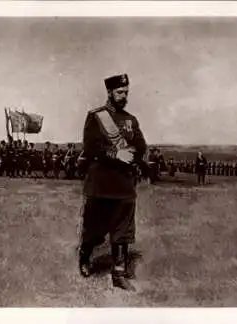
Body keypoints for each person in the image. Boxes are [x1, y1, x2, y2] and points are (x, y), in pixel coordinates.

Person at [78, 73, 147, 291]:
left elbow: (141, 145)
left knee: (123, 229)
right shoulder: (96, 117)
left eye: (126, 92)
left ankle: (118, 273)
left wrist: (134, 154)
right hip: (101, 183)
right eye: (119, 92)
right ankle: (85, 258)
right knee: (94, 228)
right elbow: (90, 148)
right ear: (109, 92)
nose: (123, 95)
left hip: (123, 184)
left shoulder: (130, 119)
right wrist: (115, 154)